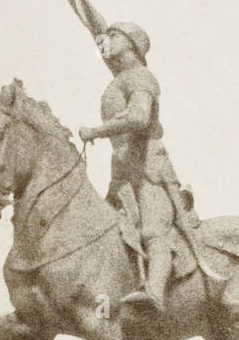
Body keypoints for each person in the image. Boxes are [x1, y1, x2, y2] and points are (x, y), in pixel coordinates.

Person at [78, 23, 203, 315]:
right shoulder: (119, 80)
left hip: (149, 170)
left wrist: (95, 131)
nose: (106, 40)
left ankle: (155, 292)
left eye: (114, 35)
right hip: (123, 171)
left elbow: (139, 116)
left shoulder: (142, 77)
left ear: (133, 44)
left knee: (153, 229)